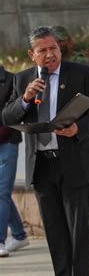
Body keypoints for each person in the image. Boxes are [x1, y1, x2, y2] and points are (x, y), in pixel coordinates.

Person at [2, 26, 89, 275]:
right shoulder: (22, 79)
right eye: (43, 50)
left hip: (73, 161)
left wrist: (78, 129)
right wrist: (25, 99)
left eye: (54, 48)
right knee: (55, 233)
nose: (50, 54)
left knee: (79, 232)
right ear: (32, 54)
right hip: (42, 166)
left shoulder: (80, 73)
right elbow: (7, 117)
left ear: (60, 48)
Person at [52, 25, 89, 249]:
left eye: (61, 42)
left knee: (86, 184)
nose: (59, 46)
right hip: (57, 135)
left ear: (69, 42)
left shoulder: (81, 64)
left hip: (82, 131)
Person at [0, 65, 29, 257]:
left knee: (2, 191)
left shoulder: (13, 80)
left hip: (7, 141)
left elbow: (15, 112)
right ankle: (19, 235)